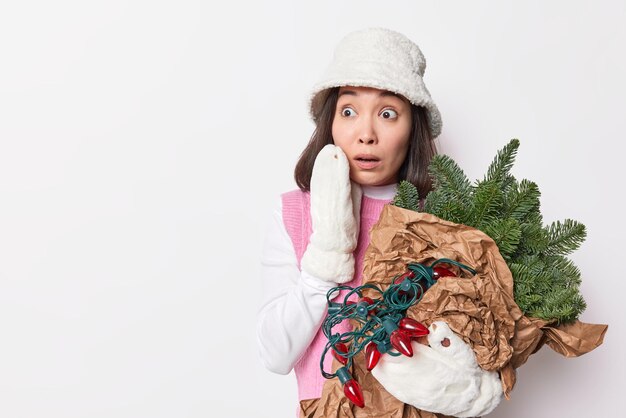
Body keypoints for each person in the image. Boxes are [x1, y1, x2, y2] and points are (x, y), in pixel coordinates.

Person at [256, 27, 443, 414]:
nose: (366, 134)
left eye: (388, 114)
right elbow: (275, 354)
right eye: (349, 111)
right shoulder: (295, 213)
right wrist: (324, 258)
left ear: (413, 129)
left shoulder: (444, 221)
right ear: (330, 122)